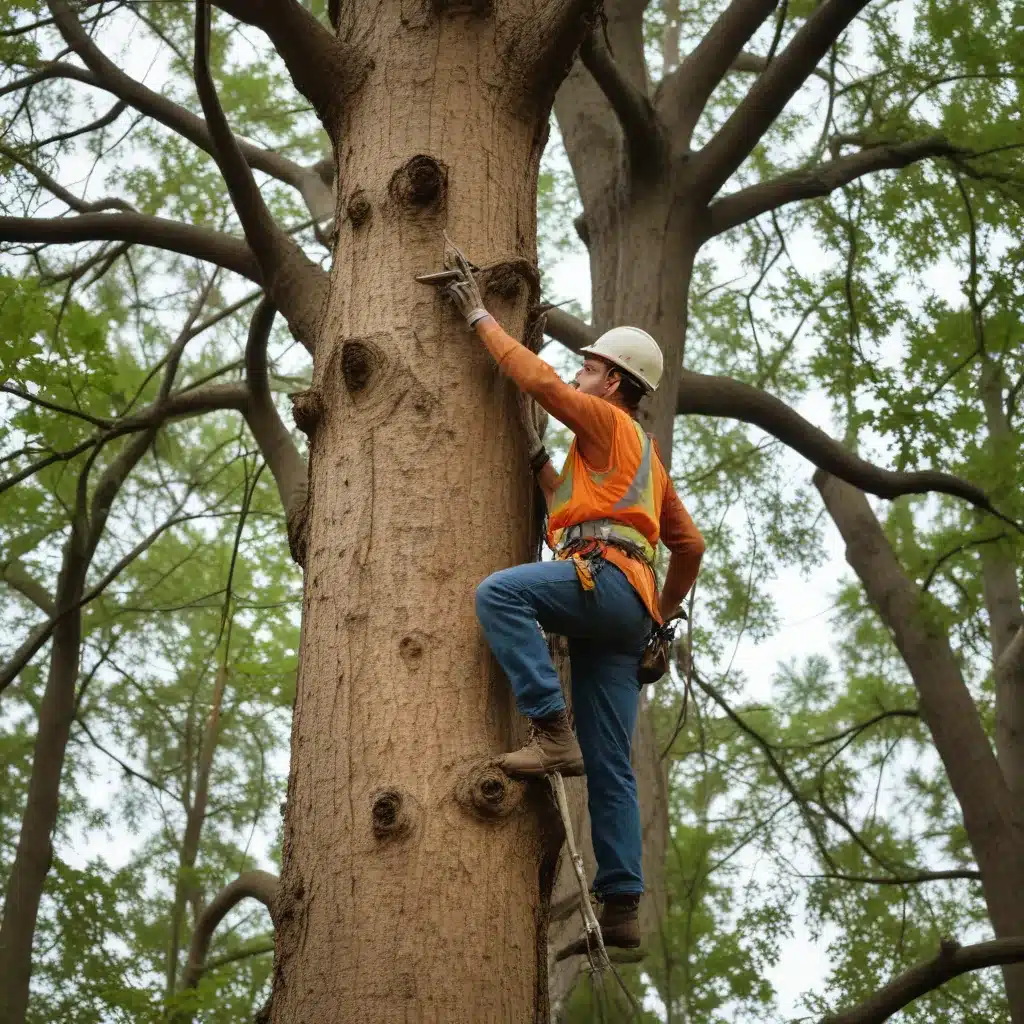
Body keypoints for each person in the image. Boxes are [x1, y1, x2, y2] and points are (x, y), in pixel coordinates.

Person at [440, 252, 704, 956]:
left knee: (499, 593)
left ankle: (549, 730)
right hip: (628, 614)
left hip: (605, 585)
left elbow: (539, 381)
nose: (579, 374)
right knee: (611, 763)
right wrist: (664, 616)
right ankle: (621, 911)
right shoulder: (640, 463)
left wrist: (478, 317)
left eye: (589, 368)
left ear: (612, 381)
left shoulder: (607, 422)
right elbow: (688, 546)